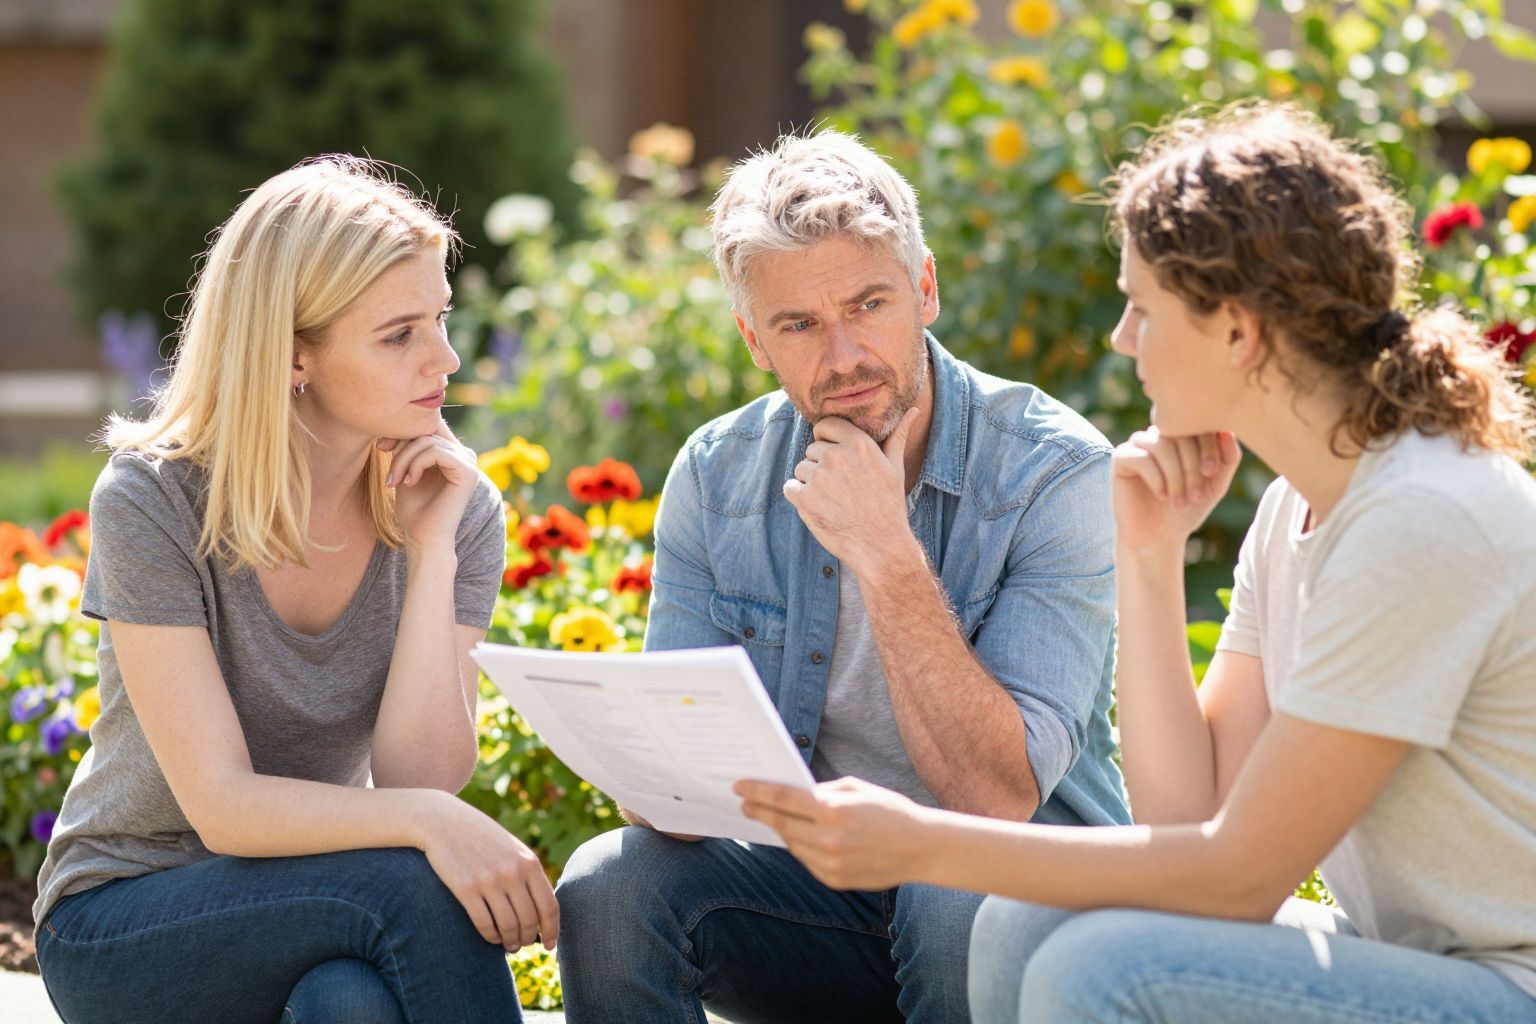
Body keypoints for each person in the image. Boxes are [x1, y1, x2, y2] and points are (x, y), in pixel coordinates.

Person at [736, 102, 1536, 1024]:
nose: (1121, 339)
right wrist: (1151, 557)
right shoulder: (1295, 511)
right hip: (1403, 962)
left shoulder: (1420, 520)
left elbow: (1234, 876)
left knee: (1105, 966)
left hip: (1505, 986)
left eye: (1143, 308)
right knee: (1023, 925)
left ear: (1237, 331)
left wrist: (920, 845)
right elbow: (1185, 820)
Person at [554, 130, 1131, 1023]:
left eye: (869, 304)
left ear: (926, 288)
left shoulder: (1052, 473)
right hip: (825, 895)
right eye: (800, 325)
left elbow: (996, 799)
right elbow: (678, 792)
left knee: (952, 891)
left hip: (1030, 898)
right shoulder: (718, 475)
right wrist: (654, 774)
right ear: (755, 339)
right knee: (609, 885)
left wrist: (885, 551)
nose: (846, 357)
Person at [31, 157, 556, 1024]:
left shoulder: (456, 509)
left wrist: (430, 556)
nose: (449, 359)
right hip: (124, 916)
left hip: (311, 901)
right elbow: (225, 806)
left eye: (442, 320)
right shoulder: (154, 500)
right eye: (400, 335)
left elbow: (418, 774)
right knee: (413, 885)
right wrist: (432, 826)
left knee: (346, 1006)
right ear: (292, 356)